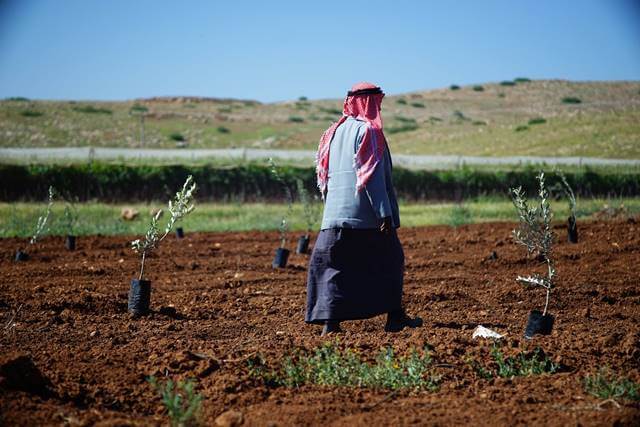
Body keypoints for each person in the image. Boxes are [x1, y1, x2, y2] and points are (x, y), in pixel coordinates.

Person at [305, 82, 423, 335]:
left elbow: (324, 176)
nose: (378, 108)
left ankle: (331, 324)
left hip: (333, 217)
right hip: (365, 217)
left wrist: (330, 209)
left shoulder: (332, 132)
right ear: (369, 102)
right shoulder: (369, 131)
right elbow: (370, 175)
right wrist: (384, 213)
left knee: (335, 267)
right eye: (376, 102)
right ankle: (395, 317)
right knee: (391, 260)